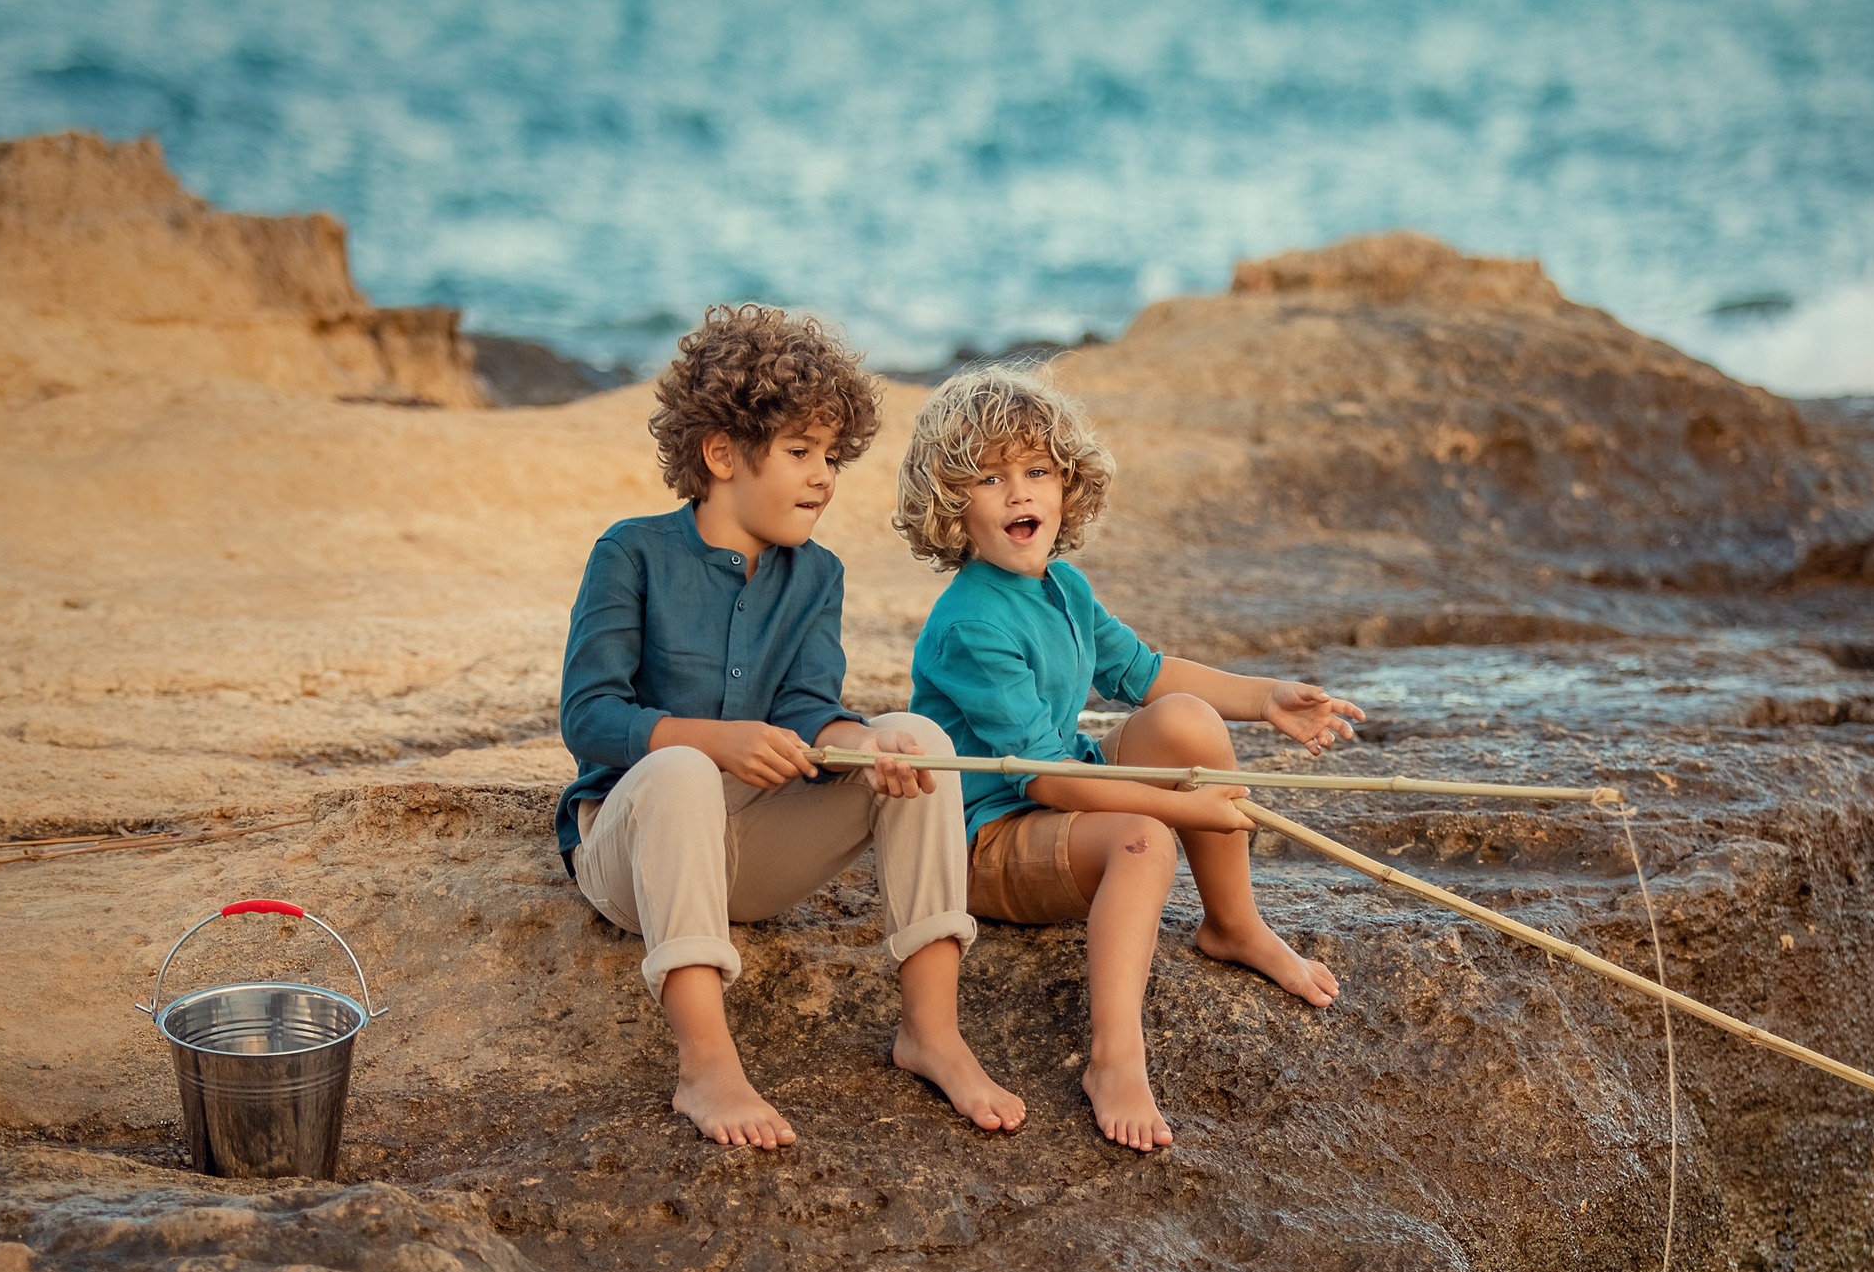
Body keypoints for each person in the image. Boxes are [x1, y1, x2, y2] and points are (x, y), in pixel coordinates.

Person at [556, 305, 1024, 1150]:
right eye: (800, 452)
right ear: (723, 453)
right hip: (635, 856)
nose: (823, 477)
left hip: (754, 856)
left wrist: (858, 747)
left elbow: (812, 711)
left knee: (917, 740)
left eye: (832, 457)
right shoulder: (629, 553)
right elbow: (589, 718)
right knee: (683, 772)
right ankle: (706, 1064)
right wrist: (708, 738)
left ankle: (932, 1031)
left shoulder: (818, 576)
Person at [896, 367, 1364, 1153]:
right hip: (988, 837)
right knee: (1142, 838)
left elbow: (1146, 675)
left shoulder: (1064, 587)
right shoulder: (970, 623)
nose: (1020, 494)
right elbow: (1039, 776)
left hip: (1060, 793)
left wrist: (1265, 696)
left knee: (1185, 719)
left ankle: (1234, 924)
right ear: (952, 504)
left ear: (1066, 484)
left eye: (1036, 471)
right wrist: (1185, 808)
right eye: (991, 477)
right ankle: (1115, 1056)